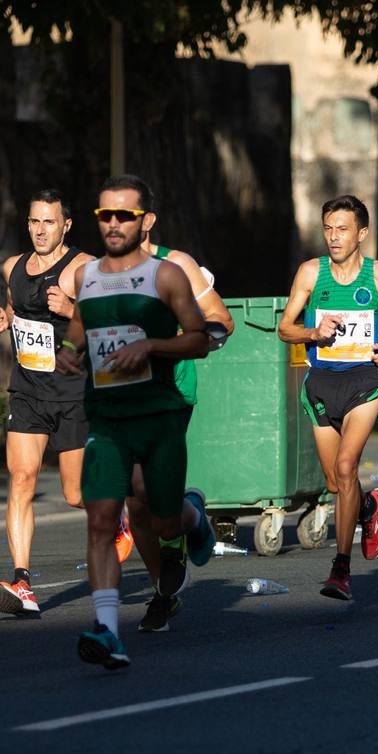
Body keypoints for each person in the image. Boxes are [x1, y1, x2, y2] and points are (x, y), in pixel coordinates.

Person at [55, 174, 218, 669]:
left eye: (124, 214)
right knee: (103, 519)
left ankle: (192, 517)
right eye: (105, 214)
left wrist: (151, 345)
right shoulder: (87, 276)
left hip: (159, 417)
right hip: (106, 418)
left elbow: (200, 338)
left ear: (144, 220)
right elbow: (82, 323)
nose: (114, 223)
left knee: (162, 515)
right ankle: (107, 631)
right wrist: (68, 350)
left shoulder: (165, 275)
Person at [277, 194, 378, 599]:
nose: (333, 236)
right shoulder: (310, 273)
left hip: (366, 380)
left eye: (342, 229)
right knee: (334, 481)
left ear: (361, 233)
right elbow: (285, 328)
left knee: (346, 468)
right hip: (322, 381)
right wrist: (313, 333)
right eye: (327, 228)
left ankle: (340, 569)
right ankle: (367, 508)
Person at [0, 190, 106, 616]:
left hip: (72, 393)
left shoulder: (84, 267)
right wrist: (6, 318)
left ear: (65, 226)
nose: (39, 229)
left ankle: (123, 516)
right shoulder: (12, 267)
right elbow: (18, 309)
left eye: (48, 222)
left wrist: (73, 308)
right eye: (34, 221)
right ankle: (22, 581)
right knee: (21, 479)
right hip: (28, 390)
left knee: (75, 495)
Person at [127, 228, 236, 632]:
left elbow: (221, 322)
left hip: (171, 393)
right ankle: (188, 531)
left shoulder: (178, 265)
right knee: (137, 507)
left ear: (147, 219)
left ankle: (168, 581)